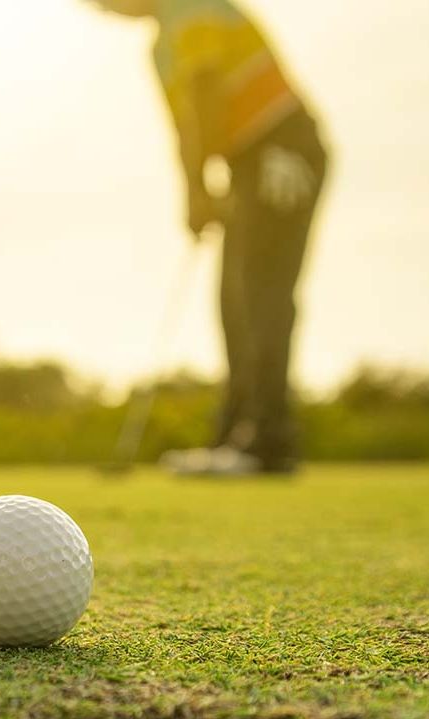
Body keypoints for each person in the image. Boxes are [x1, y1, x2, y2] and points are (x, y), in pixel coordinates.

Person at [90, 0, 329, 474]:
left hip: (282, 146)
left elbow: (205, 95)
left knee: (262, 292)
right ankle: (236, 435)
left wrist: (200, 186)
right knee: (234, 298)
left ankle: (268, 441)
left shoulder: (192, 7)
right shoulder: (160, 48)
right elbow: (184, 127)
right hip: (244, 164)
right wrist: (194, 189)